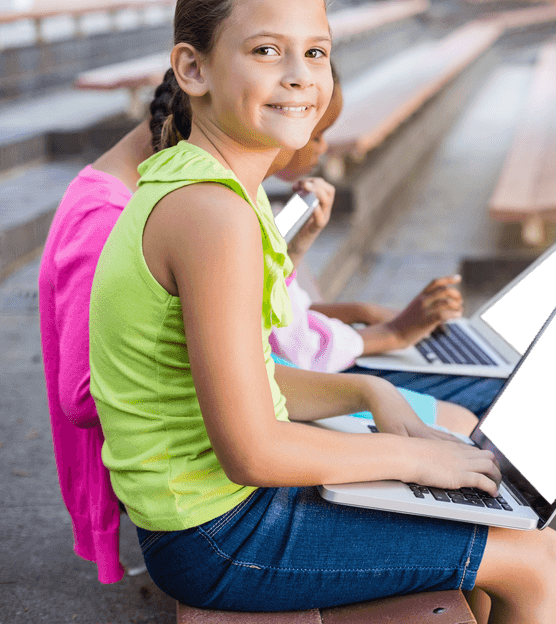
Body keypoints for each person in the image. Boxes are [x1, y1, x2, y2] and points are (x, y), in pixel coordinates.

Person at [87, 0, 556, 620]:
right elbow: (252, 448)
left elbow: (242, 378)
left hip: (209, 517)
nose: (299, 78)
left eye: (316, 53)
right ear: (192, 69)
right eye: (266, 51)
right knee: (541, 559)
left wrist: (370, 389)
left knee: (486, 513)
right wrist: (409, 462)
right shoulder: (211, 214)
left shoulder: (216, 187)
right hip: (217, 534)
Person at [36, 79, 474, 585]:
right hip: (189, 484)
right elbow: (88, 393)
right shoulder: (124, 215)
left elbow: (241, 323)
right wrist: (232, 385)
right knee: (455, 443)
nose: (312, 145)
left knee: (450, 446)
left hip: (220, 456)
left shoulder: (191, 193)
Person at [265, 67, 503, 416]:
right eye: (319, 133)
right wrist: (391, 333)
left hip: (323, 364)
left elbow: (276, 306)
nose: (324, 146)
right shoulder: (237, 211)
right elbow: (295, 349)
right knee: (495, 392)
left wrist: (359, 312)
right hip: (314, 384)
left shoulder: (250, 197)